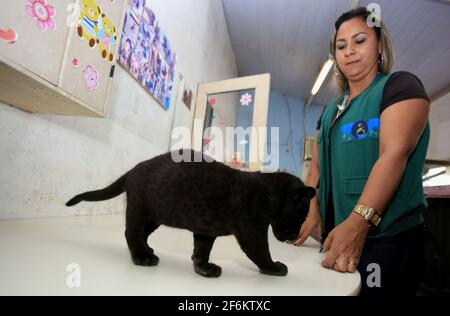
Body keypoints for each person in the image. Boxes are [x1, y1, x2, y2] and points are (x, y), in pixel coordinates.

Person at [293, 7, 430, 296]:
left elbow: (394, 155)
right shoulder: (331, 109)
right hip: (338, 234)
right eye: (341, 46)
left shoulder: (399, 87)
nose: (349, 51)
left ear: (379, 45)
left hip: (387, 238)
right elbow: (316, 169)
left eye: (360, 41)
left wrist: (358, 222)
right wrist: (312, 210)